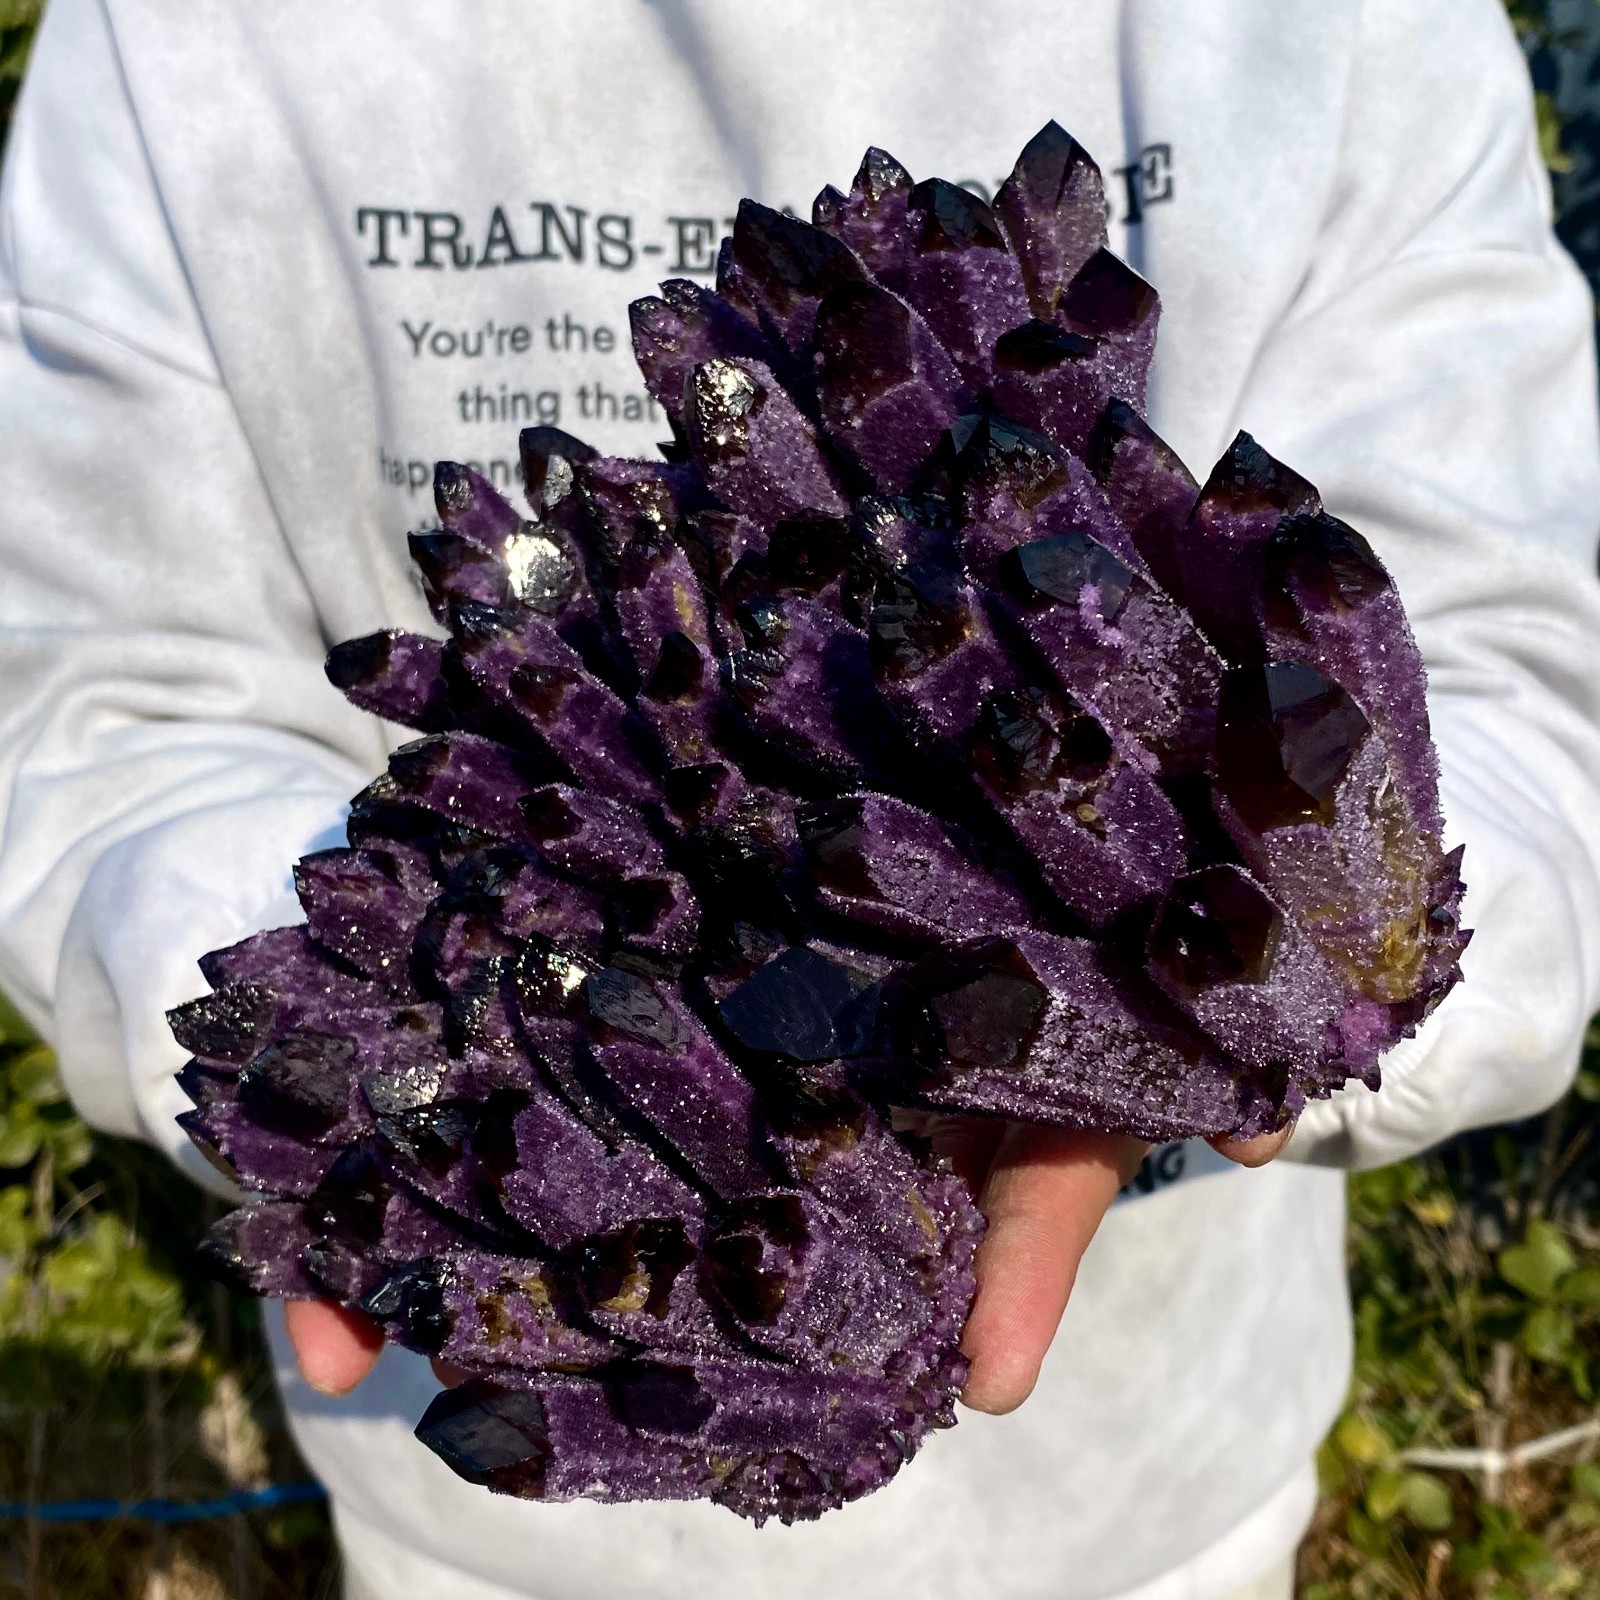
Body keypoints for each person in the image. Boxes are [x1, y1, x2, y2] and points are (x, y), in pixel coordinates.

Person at [3, 0, 1599, 1596]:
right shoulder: (173, 40)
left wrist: (1286, 986)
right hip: (496, 1556)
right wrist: (338, 1047)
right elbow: (92, 706)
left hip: (1165, 1497)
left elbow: (1513, 648)